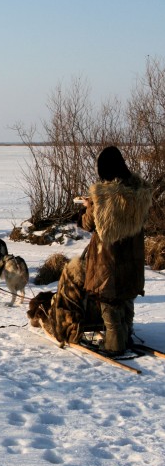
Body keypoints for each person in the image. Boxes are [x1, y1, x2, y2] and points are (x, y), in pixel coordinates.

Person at [79, 146, 152, 355]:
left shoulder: (101, 196)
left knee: (109, 300)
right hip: (133, 256)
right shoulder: (140, 192)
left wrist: (87, 206)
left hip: (108, 258)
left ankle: (114, 343)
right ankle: (127, 334)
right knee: (127, 295)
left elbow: (88, 224)